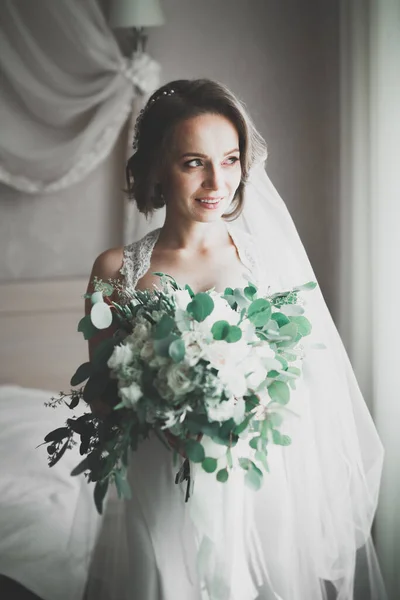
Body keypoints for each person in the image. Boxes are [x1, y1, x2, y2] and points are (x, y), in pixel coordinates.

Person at [84, 79, 387, 600]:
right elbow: (99, 391)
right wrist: (161, 411)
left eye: (229, 159)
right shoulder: (116, 270)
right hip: (159, 480)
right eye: (193, 162)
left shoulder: (268, 262)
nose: (216, 181)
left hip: (252, 484)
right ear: (157, 166)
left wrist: (243, 410)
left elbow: (308, 385)